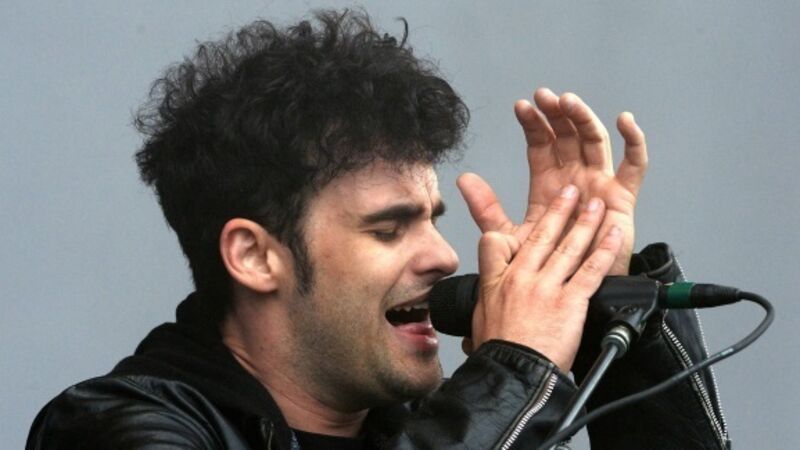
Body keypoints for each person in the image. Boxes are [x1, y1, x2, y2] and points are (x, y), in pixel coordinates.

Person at [27, 9, 729, 449]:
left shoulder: (442, 422)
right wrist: (516, 370)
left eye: (433, 221)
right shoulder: (114, 427)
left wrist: (605, 301)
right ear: (254, 256)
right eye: (389, 230)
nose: (445, 256)